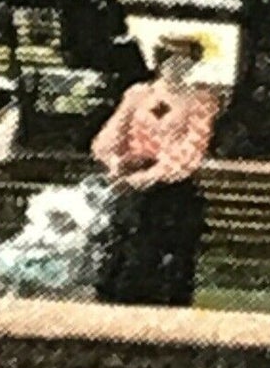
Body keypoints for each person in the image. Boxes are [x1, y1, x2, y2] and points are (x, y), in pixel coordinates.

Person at [90, 34, 223, 308]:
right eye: (171, 59)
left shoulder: (201, 100)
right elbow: (110, 136)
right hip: (132, 186)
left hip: (172, 191)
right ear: (160, 61)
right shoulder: (139, 95)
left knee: (166, 257)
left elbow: (191, 150)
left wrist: (152, 176)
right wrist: (117, 164)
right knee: (125, 250)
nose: (177, 66)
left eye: (185, 61)